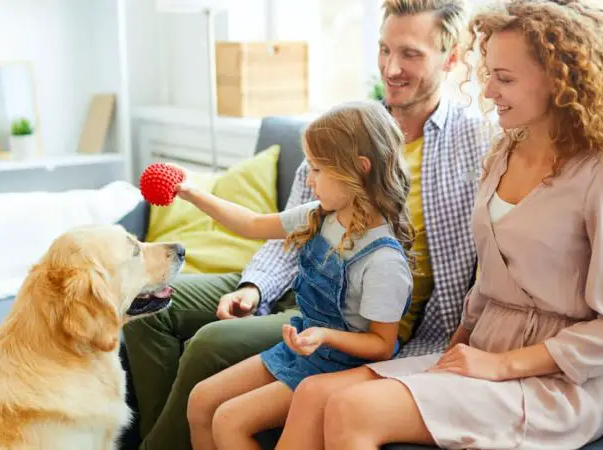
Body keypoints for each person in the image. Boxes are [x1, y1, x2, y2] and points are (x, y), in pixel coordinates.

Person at [283, 1, 603, 449]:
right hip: (480, 351)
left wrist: (500, 365)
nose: (488, 90)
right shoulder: (503, 152)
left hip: (555, 381)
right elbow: (489, 280)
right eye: (488, 74)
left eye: (505, 78)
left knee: (353, 408)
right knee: (314, 393)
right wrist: (458, 344)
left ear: (558, 81)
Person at [123, 0, 490, 448]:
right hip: (297, 292)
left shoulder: (475, 143)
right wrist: (254, 286)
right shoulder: (343, 137)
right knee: (144, 308)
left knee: (211, 353)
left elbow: (489, 262)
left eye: (410, 53)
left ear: (450, 59)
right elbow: (269, 227)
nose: (391, 68)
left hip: (352, 325)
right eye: (384, 50)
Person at [179, 100, 414, 450]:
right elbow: (252, 224)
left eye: (318, 169)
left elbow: (381, 346)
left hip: (341, 366)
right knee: (201, 401)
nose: (308, 178)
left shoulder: (383, 260)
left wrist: (326, 336)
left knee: (229, 422)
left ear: (360, 170)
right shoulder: (322, 215)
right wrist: (193, 194)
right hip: (306, 349)